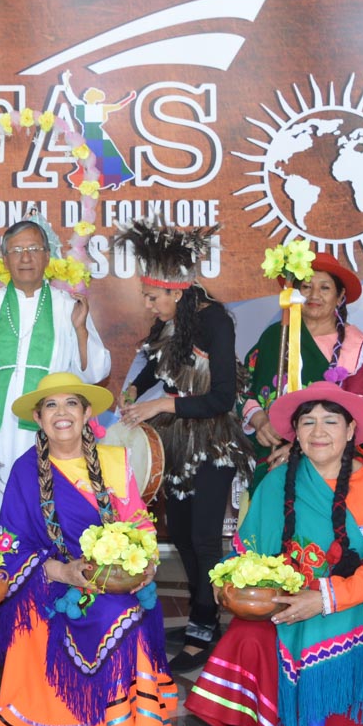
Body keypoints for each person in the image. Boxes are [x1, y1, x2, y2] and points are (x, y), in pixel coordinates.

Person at [187, 383, 363, 726]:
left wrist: (323, 598)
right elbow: (246, 550)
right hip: (280, 600)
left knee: (329, 626)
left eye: (330, 421)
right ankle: (244, 721)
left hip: (346, 603)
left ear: (350, 431)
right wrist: (227, 579)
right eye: (308, 422)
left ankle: (304, 719)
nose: (318, 431)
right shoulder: (277, 482)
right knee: (247, 632)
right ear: (296, 433)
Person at [0, 373, 177, 726]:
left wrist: (147, 565)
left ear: (87, 413)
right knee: (115, 612)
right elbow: (9, 548)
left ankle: (130, 719)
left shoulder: (114, 461)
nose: (62, 413)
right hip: (48, 578)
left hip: (110, 576)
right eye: (51, 406)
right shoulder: (25, 471)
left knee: (128, 606)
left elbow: (139, 523)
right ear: (38, 418)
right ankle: (111, 725)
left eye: (71, 403)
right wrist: (63, 572)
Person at [115, 220, 251, 673]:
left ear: (175, 291)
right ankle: (202, 615)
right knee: (182, 537)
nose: (148, 305)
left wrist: (160, 405)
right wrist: (135, 390)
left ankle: (204, 624)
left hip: (213, 441)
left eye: (152, 297)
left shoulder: (215, 321)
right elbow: (155, 365)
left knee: (204, 538)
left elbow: (223, 398)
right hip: (176, 443)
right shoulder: (168, 322)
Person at [0, 218, 110, 506]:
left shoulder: (68, 306)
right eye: (16, 251)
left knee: (43, 493)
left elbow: (94, 372)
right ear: (5, 259)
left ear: (47, 256)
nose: (25, 258)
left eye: (34, 249)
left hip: (49, 417)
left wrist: (80, 329)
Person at [241, 252, 363, 483]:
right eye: (306, 286)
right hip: (271, 455)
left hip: (327, 462)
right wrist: (259, 419)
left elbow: (358, 412)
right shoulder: (275, 336)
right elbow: (243, 386)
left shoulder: (355, 344)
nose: (314, 295)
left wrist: (301, 448)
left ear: (340, 296)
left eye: (325, 288)